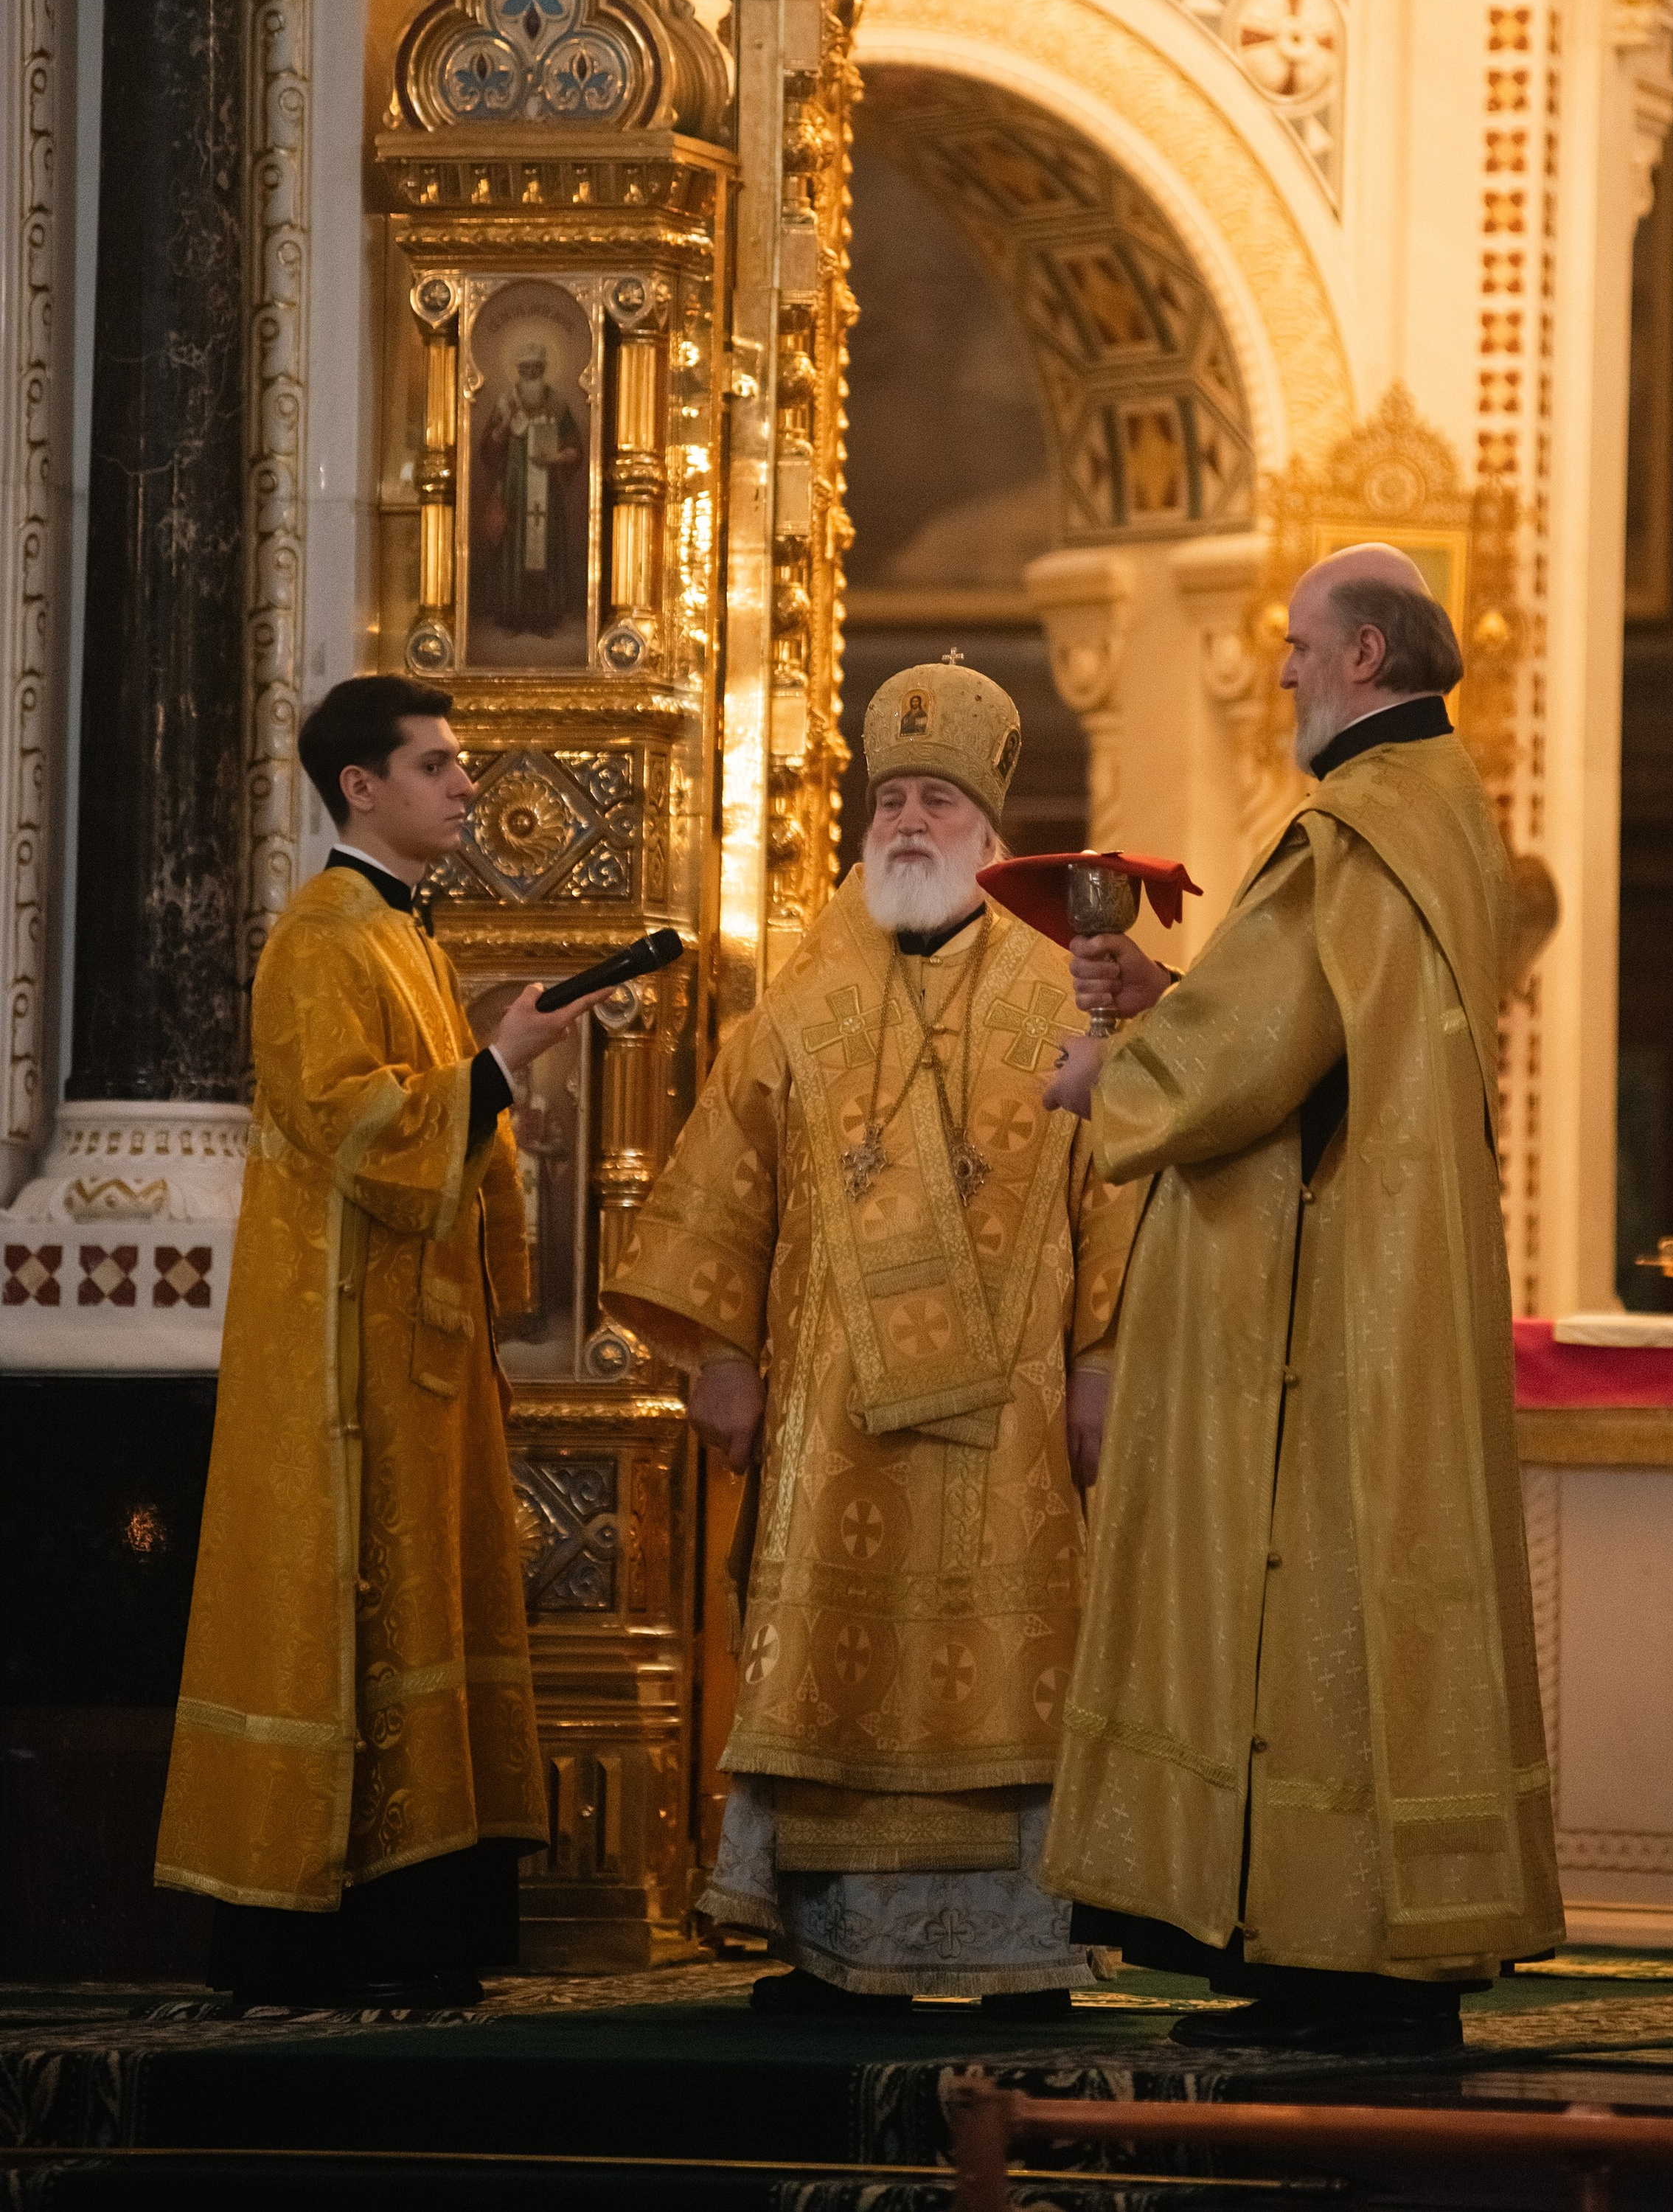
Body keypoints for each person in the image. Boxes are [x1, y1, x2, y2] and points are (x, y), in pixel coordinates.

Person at [1040, 544, 1562, 2057]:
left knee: (1311, 1586)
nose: (1274, 670)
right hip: (1394, 1273)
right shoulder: (1442, 813)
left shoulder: (1350, 824)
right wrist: (1169, 998)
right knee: (1353, 1597)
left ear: (1361, 659)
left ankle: (1333, 1962)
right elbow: (1309, 1009)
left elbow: (1253, 1056)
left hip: (1331, 1303)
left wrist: (1112, 1073)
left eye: (1294, 645)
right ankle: (1332, 1951)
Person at [601, 661, 1141, 2019]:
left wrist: (1102, 1362)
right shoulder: (799, 1000)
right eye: (890, 797)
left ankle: (1024, 1951)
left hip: (1010, 1427)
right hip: (831, 1421)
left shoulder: (1057, 993)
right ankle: (840, 1950)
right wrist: (720, 1355)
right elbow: (728, 1181)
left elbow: (1117, 1194)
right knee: (832, 1668)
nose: (909, 821)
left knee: (1013, 1671)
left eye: (937, 800)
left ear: (989, 829)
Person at [154, 675, 610, 2009]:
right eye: (439, 765)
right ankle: (332, 1934)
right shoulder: (321, 938)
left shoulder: (406, 934)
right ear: (363, 786)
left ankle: (425, 1930)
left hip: (418, 1355)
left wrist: (492, 1074)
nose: (467, 784)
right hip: (342, 1370)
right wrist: (498, 1068)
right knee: (355, 1614)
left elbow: (432, 1124)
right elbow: (356, 1124)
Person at [476, 339, 584, 636]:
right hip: (513, 486)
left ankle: (545, 615)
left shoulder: (558, 404)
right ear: (519, 371)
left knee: (546, 541)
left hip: (547, 486)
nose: (531, 373)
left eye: (537, 368)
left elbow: (575, 446)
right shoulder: (505, 403)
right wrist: (504, 427)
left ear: (544, 369)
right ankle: (511, 611)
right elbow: (488, 448)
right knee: (513, 542)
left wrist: (559, 457)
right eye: (526, 369)